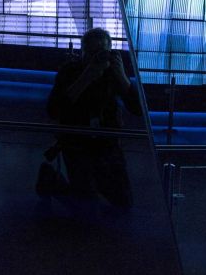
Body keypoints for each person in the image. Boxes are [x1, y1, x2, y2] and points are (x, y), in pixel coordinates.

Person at [46, 28, 142, 212]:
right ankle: (52, 180)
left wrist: (122, 78)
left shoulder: (113, 74)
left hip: (107, 144)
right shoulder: (70, 71)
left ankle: (60, 182)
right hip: (77, 143)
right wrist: (86, 78)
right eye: (91, 53)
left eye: (101, 53)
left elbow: (137, 109)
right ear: (82, 52)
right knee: (85, 202)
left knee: (123, 202)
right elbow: (54, 110)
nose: (96, 58)